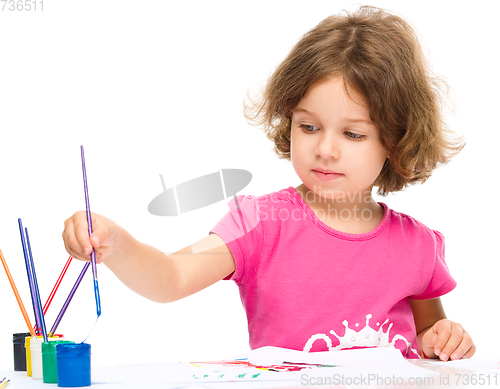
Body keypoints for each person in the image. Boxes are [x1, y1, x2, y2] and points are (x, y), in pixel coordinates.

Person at [62, 6, 475, 360]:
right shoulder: (257, 221)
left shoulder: (418, 247)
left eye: (353, 134)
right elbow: (171, 277)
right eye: (309, 126)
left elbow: (428, 341)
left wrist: (445, 338)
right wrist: (117, 245)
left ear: (397, 139)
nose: (325, 149)